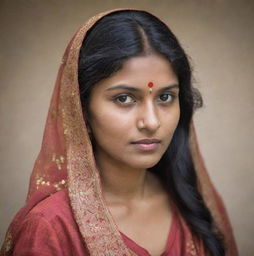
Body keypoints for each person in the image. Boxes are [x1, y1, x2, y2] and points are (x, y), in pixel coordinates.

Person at [1, 8, 238, 256]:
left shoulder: (196, 206)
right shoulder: (50, 227)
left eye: (166, 97)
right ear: (81, 108)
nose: (151, 121)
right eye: (124, 98)